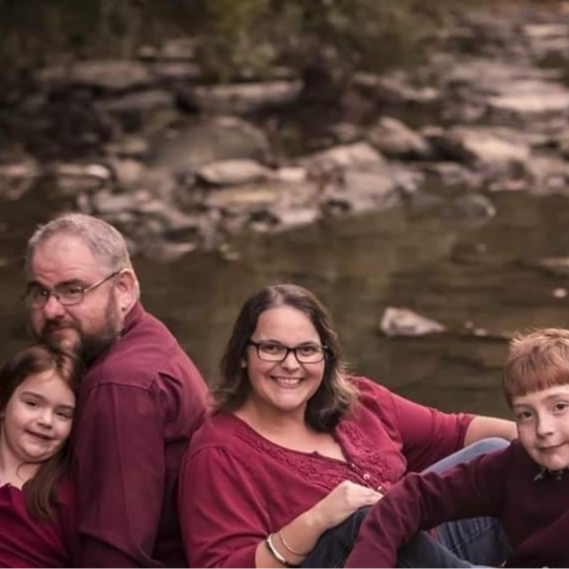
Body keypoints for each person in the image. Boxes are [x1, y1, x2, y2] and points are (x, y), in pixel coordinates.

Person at [178, 283, 517, 569]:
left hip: (420, 552)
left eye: (307, 350)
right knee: (366, 520)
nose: (290, 364)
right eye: (271, 348)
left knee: (498, 455)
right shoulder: (219, 452)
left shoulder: (360, 400)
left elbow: (457, 431)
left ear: (326, 356)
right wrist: (317, 519)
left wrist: (549, 437)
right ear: (242, 354)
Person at [24, 213, 208, 569]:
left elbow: (115, 555)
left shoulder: (120, 385)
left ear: (123, 288)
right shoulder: (142, 336)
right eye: (40, 292)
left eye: (72, 289)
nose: (51, 309)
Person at [344, 327, 569, 569]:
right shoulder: (516, 465)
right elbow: (415, 497)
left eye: (560, 406)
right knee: (367, 526)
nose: (543, 428)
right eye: (526, 414)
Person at [0, 343, 81, 568]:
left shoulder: (68, 497)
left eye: (63, 414)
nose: (46, 420)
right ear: (3, 404)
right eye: (32, 403)